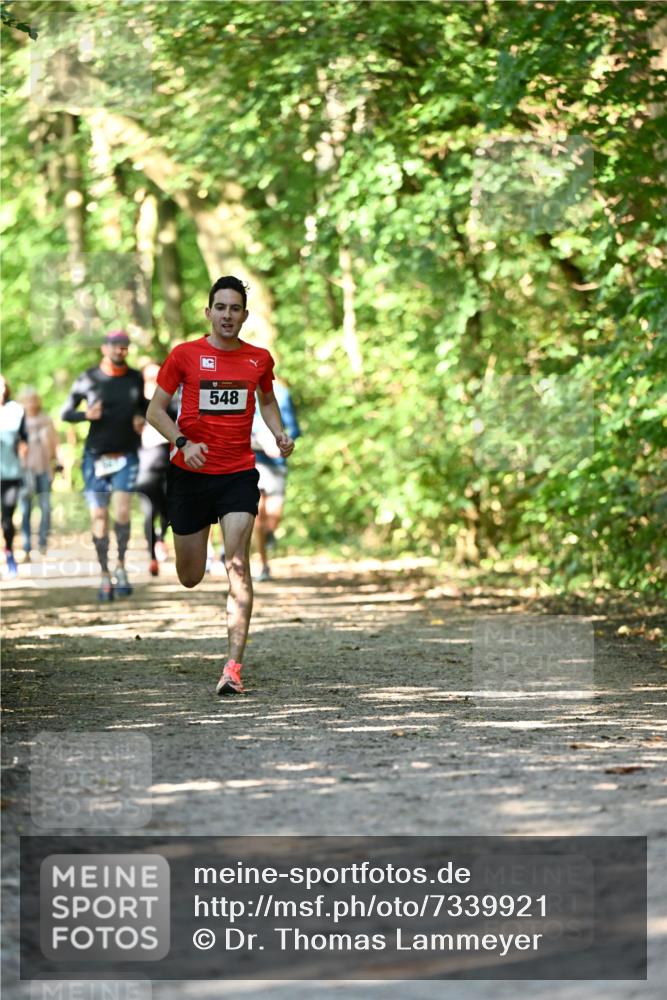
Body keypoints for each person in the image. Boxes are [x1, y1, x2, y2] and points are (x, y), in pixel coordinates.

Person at [146, 275, 295, 696]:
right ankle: (199, 543)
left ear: (245, 315)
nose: (228, 315)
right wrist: (181, 441)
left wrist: (278, 434)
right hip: (189, 475)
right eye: (221, 307)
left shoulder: (258, 360)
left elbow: (266, 401)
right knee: (190, 576)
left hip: (237, 474)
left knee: (237, 565)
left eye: (235, 309)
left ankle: (233, 667)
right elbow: (155, 410)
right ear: (208, 312)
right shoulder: (184, 356)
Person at [61, 330, 145, 601]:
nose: (120, 350)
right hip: (95, 457)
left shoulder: (135, 377)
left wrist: (140, 417)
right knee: (99, 517)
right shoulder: (88, 378)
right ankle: (104, 574)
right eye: (115, 346)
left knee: (121, 512)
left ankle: (121, 566)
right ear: (104, 348)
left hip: (126, 454)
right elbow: (66, 412)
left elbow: (143, 405)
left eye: (124, 346)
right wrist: (85, 414)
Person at [252, 380, 300, 581]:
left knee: (273, 515)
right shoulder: (242, 387)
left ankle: (269, 534)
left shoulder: (282, 392)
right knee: (258, 514)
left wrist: (282, 440)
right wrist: (259, 442)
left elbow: (293, 427)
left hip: (278, 461)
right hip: (254, 459)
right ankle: (263, 564)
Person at [135, 362, 174, 576]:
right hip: (144, 466)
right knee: (148, 512)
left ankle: (161, 538)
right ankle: (152, 556)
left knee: (169, 510)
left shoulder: (172, 400)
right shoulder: (136, 404)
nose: (152, 380)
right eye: (148, 377)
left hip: (168, 464)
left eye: (155, 376)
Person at [17, 387, 59, 560]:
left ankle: (42, 543)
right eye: (27, 401)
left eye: (33, 400)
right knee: (25, 509)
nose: (31, 404)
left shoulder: (46, 420)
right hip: (25, 471)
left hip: (44, 469)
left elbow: (55, 445)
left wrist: (57, 462)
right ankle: (26, 547)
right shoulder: (18, 422)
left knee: (46, 507)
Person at [0, 376, 28, 578]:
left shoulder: (16, 411)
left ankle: (9, 554)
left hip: (11, 473)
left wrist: (24, 448)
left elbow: (25, 438)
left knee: (7, 519)